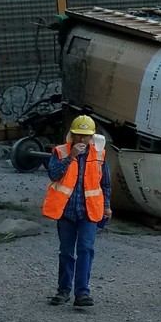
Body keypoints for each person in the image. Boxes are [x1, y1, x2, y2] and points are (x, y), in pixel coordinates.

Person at [41, 114, 112, 307]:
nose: (82, 139)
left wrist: (107, 206)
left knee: (85, 249)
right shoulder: (60, 152)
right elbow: (54, 174)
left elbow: (105, 183)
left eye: (86, 136)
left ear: (92, 137)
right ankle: (63, 291)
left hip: (89, 211)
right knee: (66, 252)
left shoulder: (99, 155)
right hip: (66, 212)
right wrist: (71, 156)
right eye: (79, 135)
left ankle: (82, 293)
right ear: (72, 135)